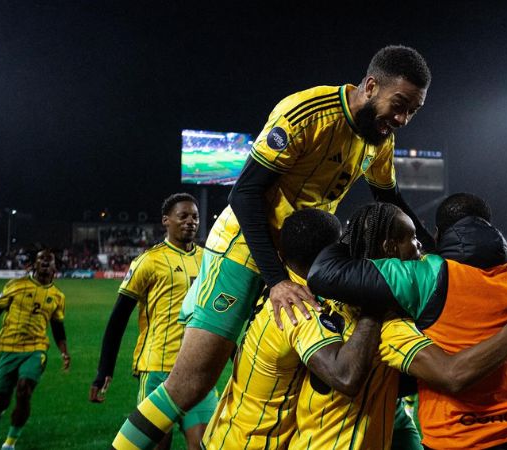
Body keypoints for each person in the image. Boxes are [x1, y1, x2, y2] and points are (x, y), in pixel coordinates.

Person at [112, 44, 434, 450]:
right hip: (244, 252)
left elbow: (392, 204)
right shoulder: (306, 113)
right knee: (189, 386)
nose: (402, 119)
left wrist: (446, 252)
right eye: (399, 105)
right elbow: (244, 193)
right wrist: (277, 280)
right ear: (371, 86)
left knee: (292, 376)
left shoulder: (378, 139)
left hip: (301, 262)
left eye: (413, 111)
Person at [290, 203, 507, 450]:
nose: (422, 245)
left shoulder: (305, 304)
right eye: (412, 237)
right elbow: (450, 374)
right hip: (500, 432)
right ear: (388, 248)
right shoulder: (391, 324)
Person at [201, 208, 383, 449]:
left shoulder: (278, 286)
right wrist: (375, 305)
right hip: (253, 443)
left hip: (226, 431)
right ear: (330, 254)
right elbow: (345, 376)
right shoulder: (298, 306)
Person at [92, 193, 215, 449]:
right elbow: (118, 319)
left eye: (195, 217)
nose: (190, 221)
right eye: (183, 216)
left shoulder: (209, 260)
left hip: (198, 369)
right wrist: (104, 369)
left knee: (205, 444)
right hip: (157, 369)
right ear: (166, 221)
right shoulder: (149, 261)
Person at [0, 250, 69, 450]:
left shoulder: (58, 296)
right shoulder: (15, 286)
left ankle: (9, 443)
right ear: (34, 264)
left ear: (55, 267)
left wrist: (64, 351)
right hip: (8, 348)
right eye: (42, 260)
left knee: (24, 390)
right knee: (2, 399)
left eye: (50, 261)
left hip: (36, 349)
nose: (46, 264)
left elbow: (58, 327)